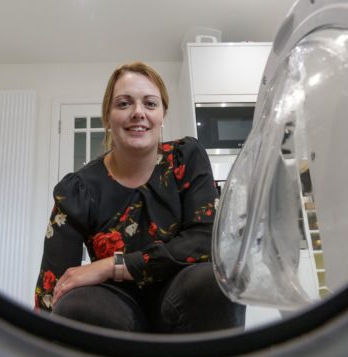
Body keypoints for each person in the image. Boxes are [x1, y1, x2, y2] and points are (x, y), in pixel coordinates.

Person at [34, 62, 245, 333]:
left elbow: (205, 241)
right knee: (75, 304)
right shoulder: (78, 189)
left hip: (182, 291)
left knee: (215, 280)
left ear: (162, 115)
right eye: (123, 104)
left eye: (150, 103)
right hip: (114, 305)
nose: (138, 113)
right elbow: (54, 287)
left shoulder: (186, 158)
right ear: (107, 118)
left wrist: (113, 265)